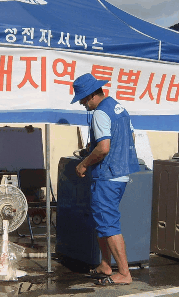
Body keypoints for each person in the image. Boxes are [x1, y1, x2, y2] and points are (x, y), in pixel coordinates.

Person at [71, 73, 140, 285]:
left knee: (109, 224)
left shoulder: (100, 113)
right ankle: (105, 264)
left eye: (83, 99)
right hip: (121, 173)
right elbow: (130, 137)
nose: (82, 103)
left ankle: (124, 274)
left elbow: (103, 148)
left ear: (92, 95)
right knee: (102, 221)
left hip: (106, 176)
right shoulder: (118, 107)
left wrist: (83, 163)